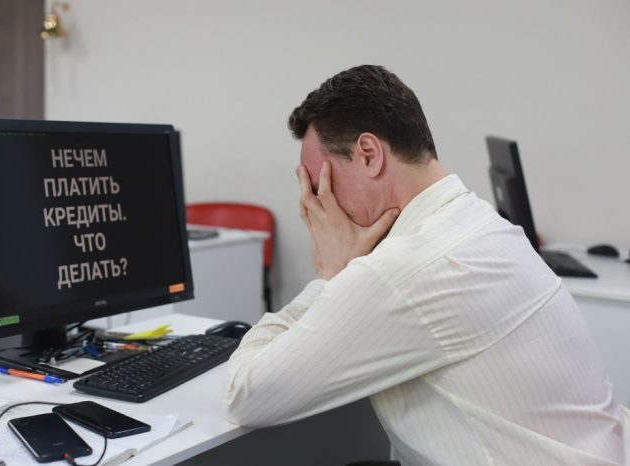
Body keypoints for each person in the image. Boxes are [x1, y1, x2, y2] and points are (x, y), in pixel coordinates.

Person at [224, 65, 628, 465]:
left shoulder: (406, 269)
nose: (316, 204)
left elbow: (247, 394)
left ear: (369, 155)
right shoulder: (480, 223)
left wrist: (330, 272)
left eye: (320, 185)